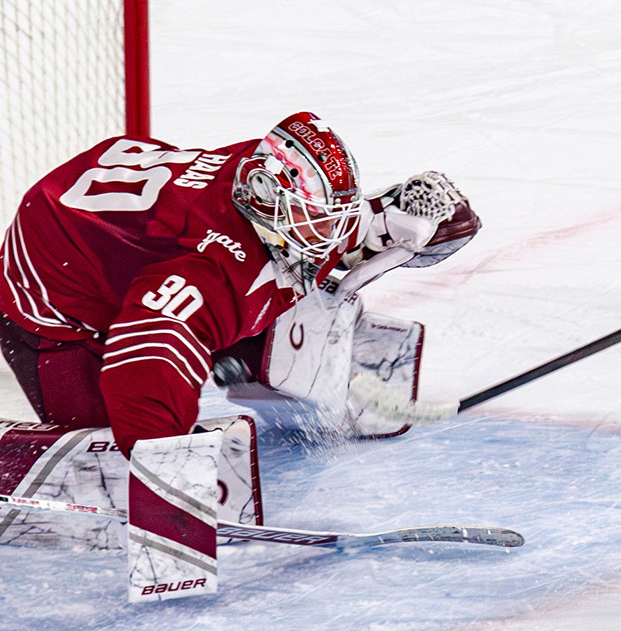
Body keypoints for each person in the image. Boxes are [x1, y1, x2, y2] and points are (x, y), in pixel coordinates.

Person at [0, 112, 479, 454]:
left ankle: (242, 359)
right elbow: (145, 359)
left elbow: (321, 217)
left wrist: (392, 221)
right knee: (104, 451)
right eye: (316, 220)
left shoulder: (262, 182)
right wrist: (168, 467)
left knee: (282, 287)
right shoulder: (210, 268)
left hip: (126, 234)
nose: (330, 236)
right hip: (51, 301)